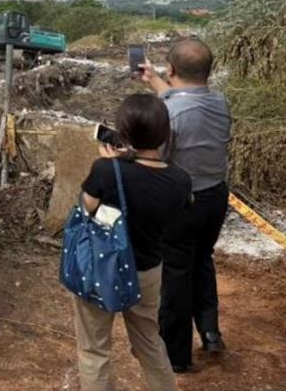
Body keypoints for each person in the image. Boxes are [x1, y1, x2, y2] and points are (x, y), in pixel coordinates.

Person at [75, 93, 192, 391]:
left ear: (123, 133)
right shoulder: (181, 180)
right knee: (149, 342)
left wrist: (111, 166)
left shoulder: (106, 170)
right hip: (148, 270)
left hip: (104, 267)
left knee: (94, 348)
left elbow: (86, 207)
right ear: (165, 134)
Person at [138, 38, 233, 372]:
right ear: (210, 70)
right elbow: (182, 99)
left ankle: (176, 357)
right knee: (202, 261)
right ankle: (209, 332)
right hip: (215, 198)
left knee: (175, 277)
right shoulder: (220, 102)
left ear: (172, 68)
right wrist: (153, 78)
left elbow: (157, 154)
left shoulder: (168, 112)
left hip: (182, 204)